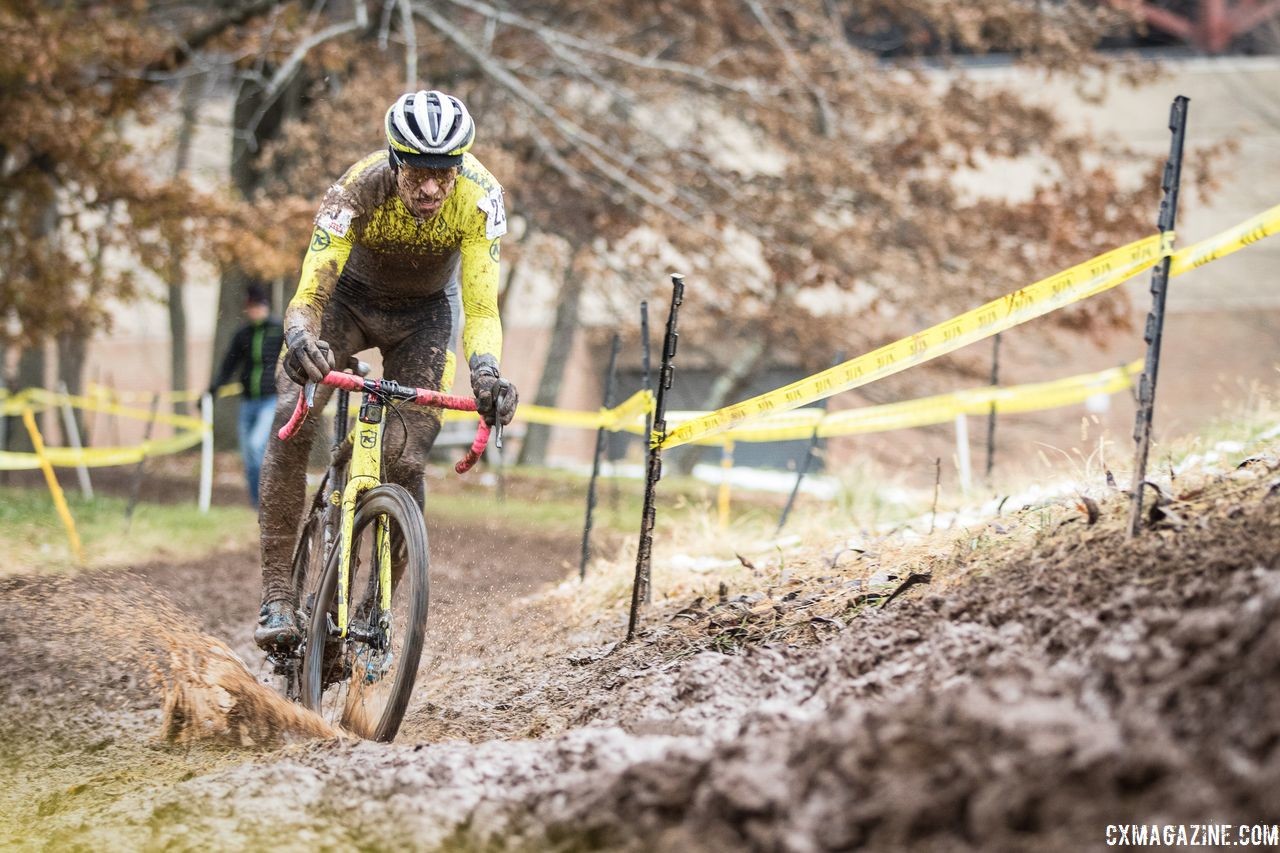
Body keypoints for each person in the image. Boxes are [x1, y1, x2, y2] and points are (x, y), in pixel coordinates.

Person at [253, 90, 519, 652]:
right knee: (291, 414)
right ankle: (278, 594)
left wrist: (487, 372)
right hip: (345, 304)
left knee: (406, 457)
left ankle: (378, 606)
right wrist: (301, 336)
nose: (431, 188)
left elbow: (481, 307)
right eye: (419, 172)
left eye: (444, 174)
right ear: (396, 161)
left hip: (424, 318)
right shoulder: (355, 188)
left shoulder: (480, 198)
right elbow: (310, 289)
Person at [208, 284, 284, 509]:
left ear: (265, 307)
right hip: (248, 400)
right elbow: (229, 364)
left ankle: (268, 495)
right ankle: (257, 501)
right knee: (248, 455)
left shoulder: (279, 330)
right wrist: (215, 388)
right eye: (250, 308)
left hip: (270, 400)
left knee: (256, 444)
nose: (253, 311)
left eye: (256, 307)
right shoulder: (243, 335)